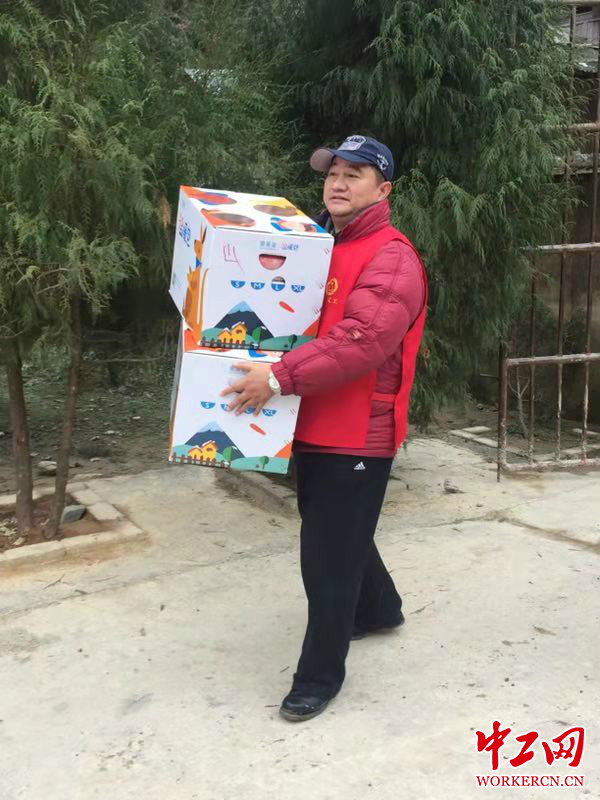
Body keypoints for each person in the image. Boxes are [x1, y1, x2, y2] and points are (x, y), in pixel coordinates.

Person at [220, 134, 427, 722]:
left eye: (354, 174)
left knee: (327, 558)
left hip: (358, 430)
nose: (338, 183)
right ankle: (380, 609)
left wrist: (278, 377)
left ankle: (318, 677)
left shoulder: (392, 257)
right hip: (312, 417)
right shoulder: (317, 246)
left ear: (383, 190)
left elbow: (362, 339)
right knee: (335, 528)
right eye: (333, 172)